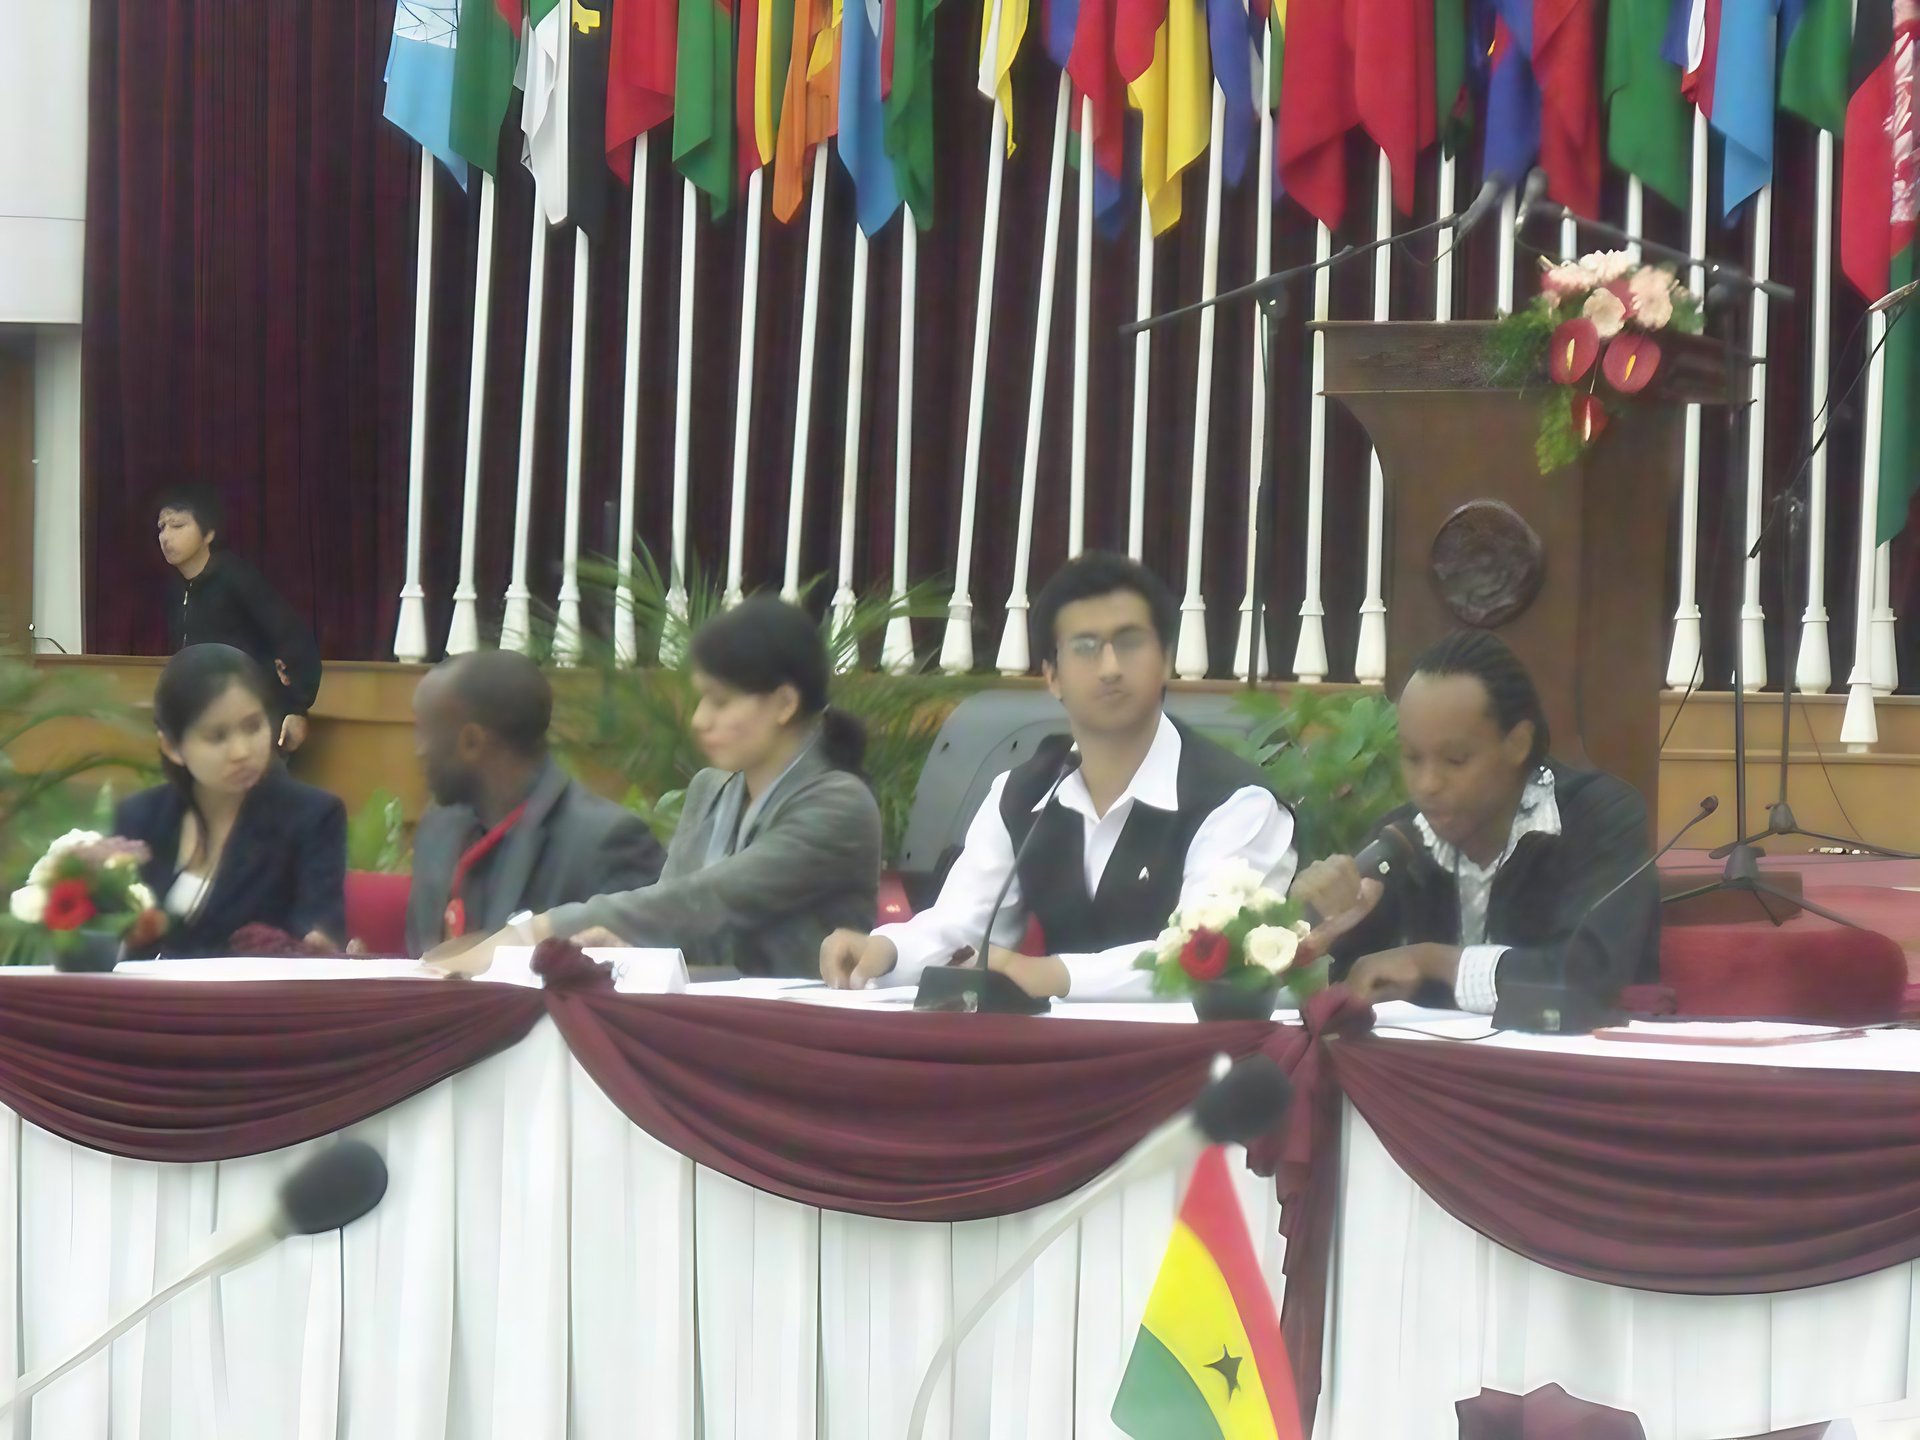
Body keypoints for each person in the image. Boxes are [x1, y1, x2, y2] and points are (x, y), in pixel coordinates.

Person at [821, 553, 1296, 1000]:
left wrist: (1050, 974)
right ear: (1052, 676)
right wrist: (887, 953)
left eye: (1129, 643)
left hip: (1194, 1067)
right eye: (1086, 647)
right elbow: (964, 927)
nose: (1110, 668)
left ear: (1166, 659)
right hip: (1054, 1059)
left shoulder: (1236, 802)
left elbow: (1207, 956)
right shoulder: (1022, 793)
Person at [425, 596, 882, 977]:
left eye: (720, 702)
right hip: (705, 1024)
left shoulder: (839, 805)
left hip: (797, 1038)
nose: (701, 720)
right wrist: (628, 950)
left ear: (784, 703)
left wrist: (531, 932)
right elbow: (676, 927)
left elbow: (701, 902)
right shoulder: (711, 789)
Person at [1291, 628, 1656, 1013]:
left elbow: (1588, 978)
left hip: (1578, 1068)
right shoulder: (1400, 840)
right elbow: (1353, 986)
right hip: (1431, 1069)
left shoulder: (1597, 818)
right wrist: (1316, 930)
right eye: (1413, 758)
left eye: (1456, 760)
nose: (1427, 785)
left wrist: (1432, 962)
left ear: (1518, 744)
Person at [405, 650, 668, 957]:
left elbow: (636, 976)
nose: (419, 751)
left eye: (424, 732)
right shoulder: (439, 827)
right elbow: (420, 959)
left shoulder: (606, 841)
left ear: (472, 742)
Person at [114, 644, 346, 957]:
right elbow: (111, 935)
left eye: (252, 727)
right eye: (217, 736)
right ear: (172, 746)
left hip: (259, 1001)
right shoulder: (139, 818)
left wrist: (320, 944)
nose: (241, 752)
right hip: (147, 1002)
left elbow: (317, 933)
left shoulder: (312, 818)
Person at [158, 484, 322, 754]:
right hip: (203, 719)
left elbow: (293, 637)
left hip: (252, 720)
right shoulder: (175, 591)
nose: (166, 536)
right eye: (161, 528)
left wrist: (297, 707)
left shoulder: (237, 579)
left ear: (208, 533)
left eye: (177, 525)